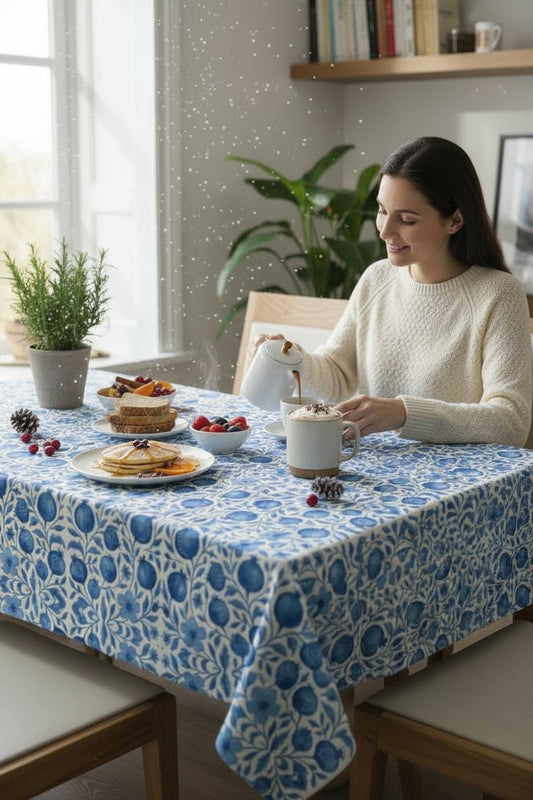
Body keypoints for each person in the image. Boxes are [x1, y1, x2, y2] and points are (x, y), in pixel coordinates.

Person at [251, 136, 532, 447]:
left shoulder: (498, 295)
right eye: (382, 211)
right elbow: (338, 373)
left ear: (454, 220)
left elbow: (511, 422)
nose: (385, 231)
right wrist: (292, 358)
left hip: (458, 485)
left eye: (406, 219)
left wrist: (404, 413)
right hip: (372, 471)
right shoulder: (377, 278)